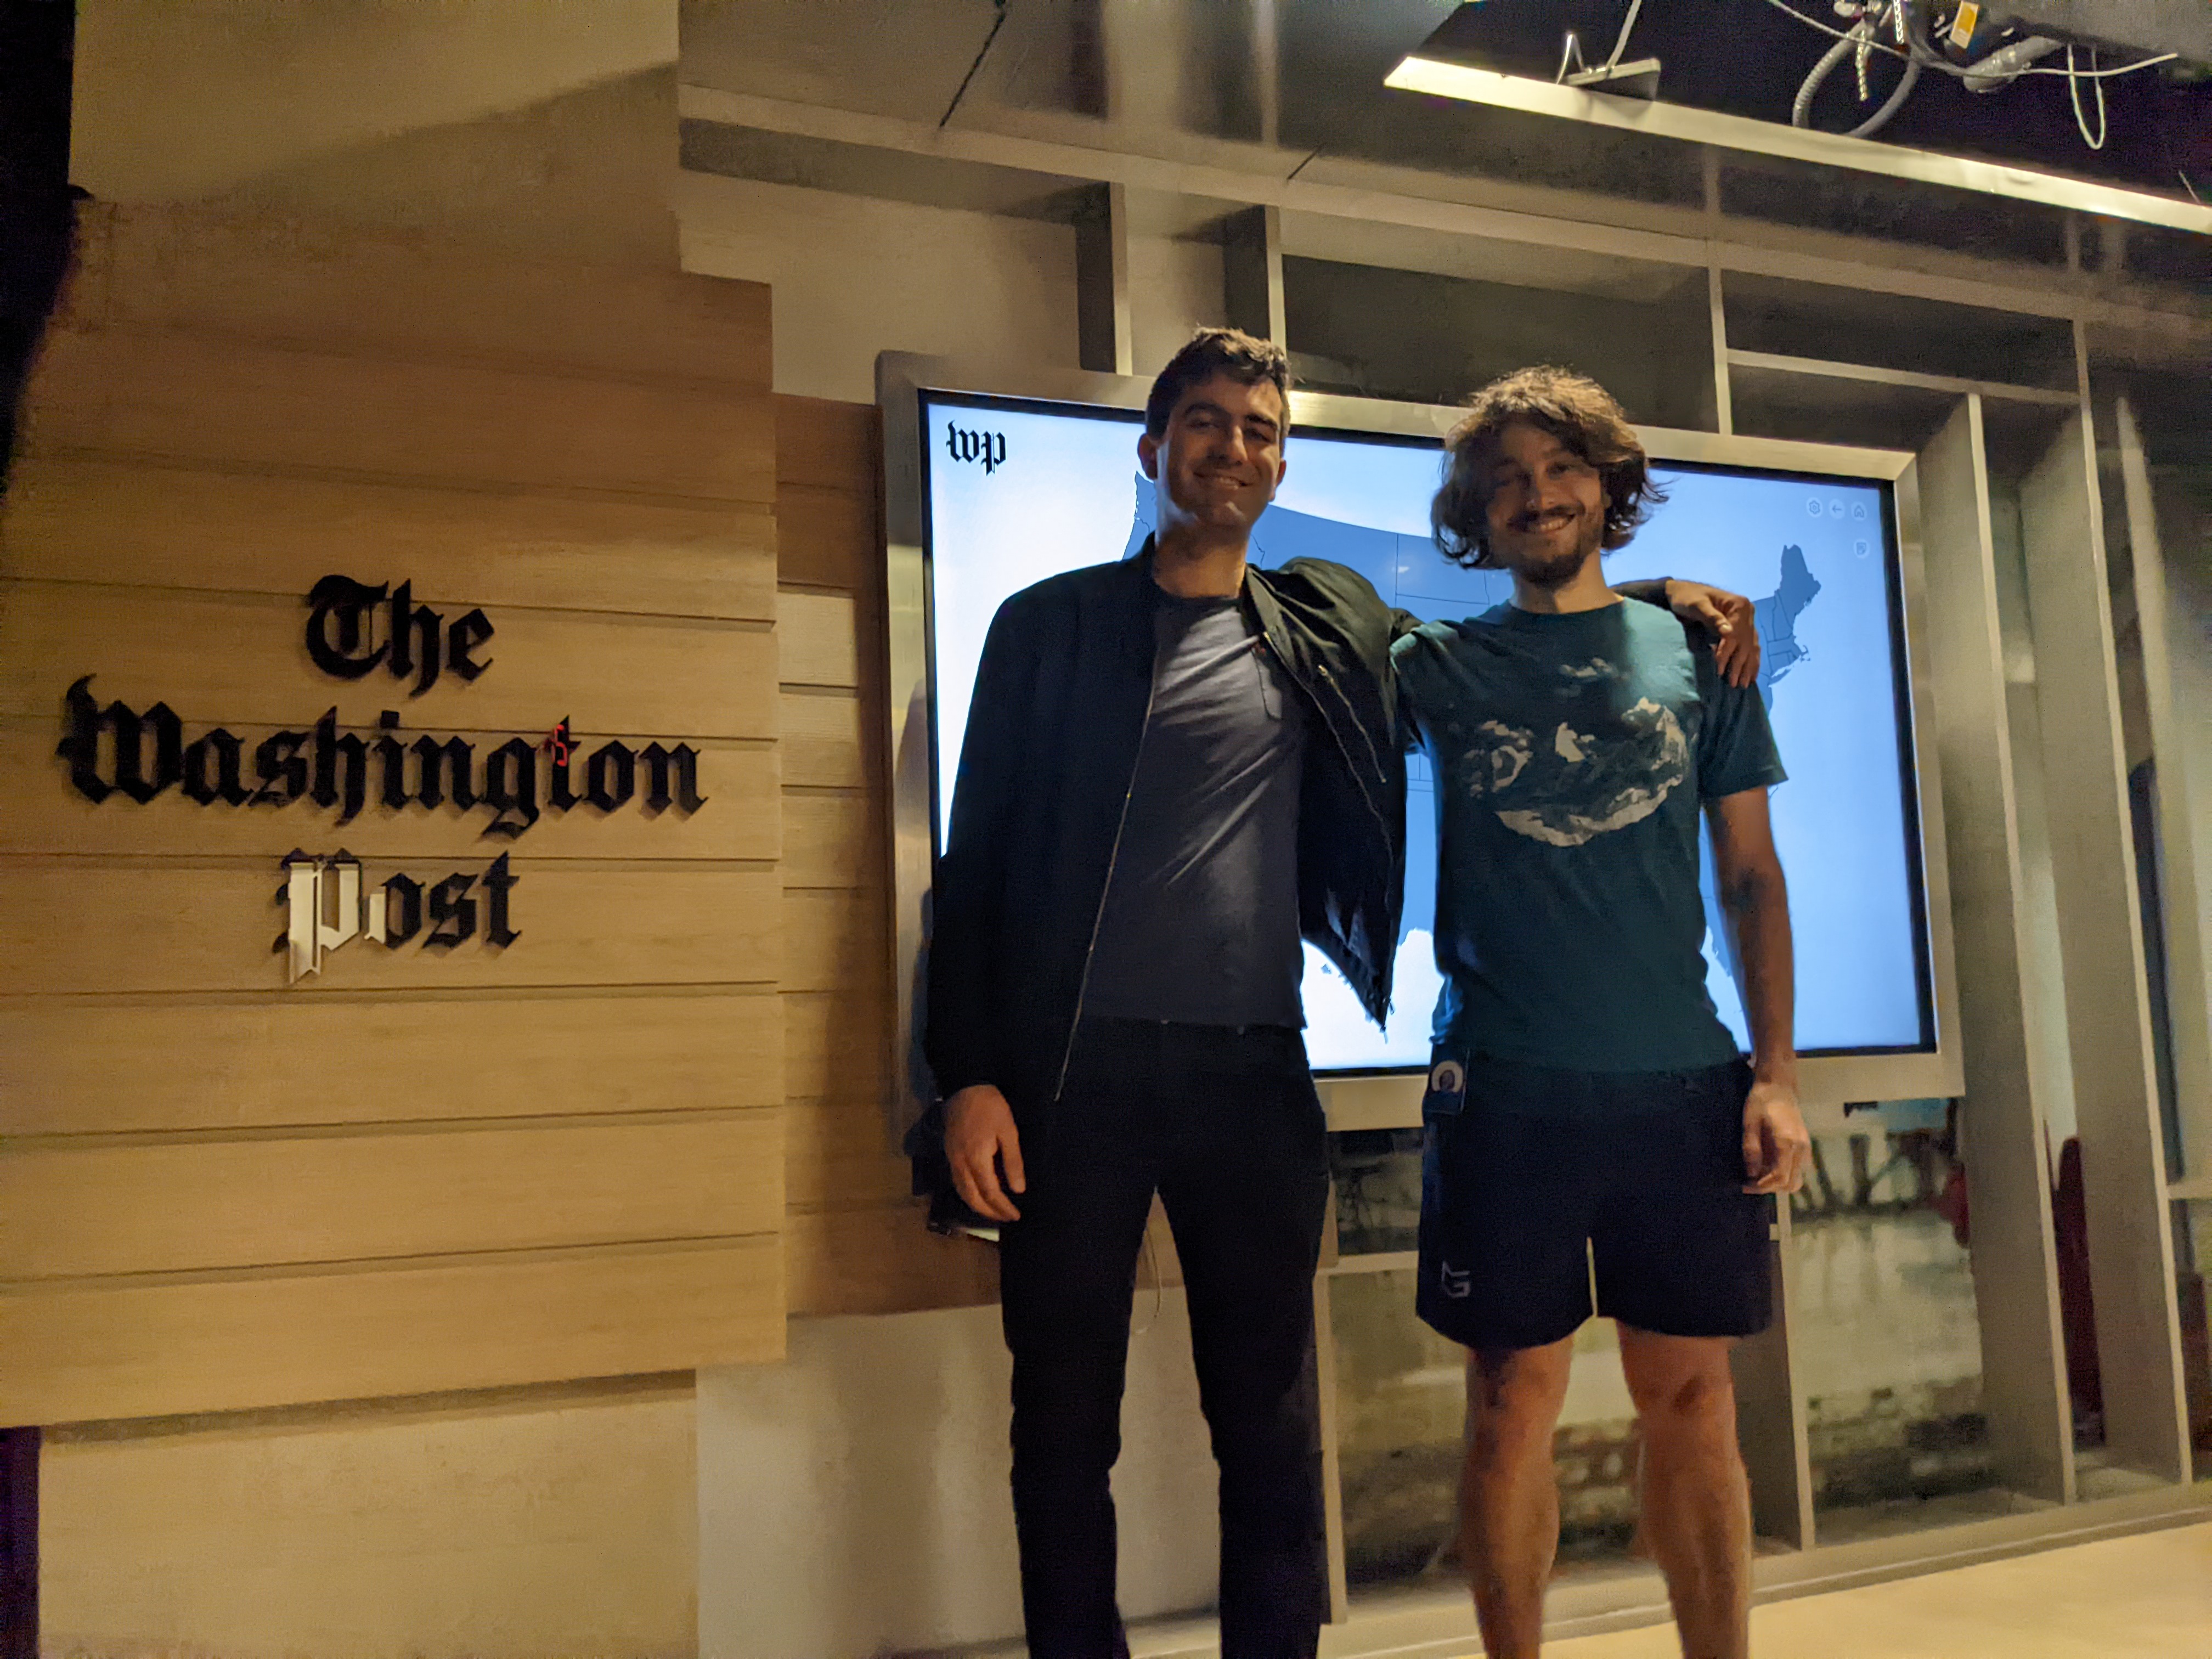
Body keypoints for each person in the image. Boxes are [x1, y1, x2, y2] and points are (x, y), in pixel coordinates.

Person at [920, 329, 1760, 1659]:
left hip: (1252, 1075)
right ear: (1155, 449)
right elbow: (973, 863)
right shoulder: (1047, 628)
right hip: (1065, 1076)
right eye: (1207, 422)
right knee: (1063, 1427)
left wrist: (1663, 589)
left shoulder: (1320, 620)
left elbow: (1526, 614)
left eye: (1260, 430)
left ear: (1278, 461)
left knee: (1266, 1426)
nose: (1235, 448)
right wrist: (966, 1072)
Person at [1393, 366, 1812, 1659]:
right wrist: (1646, 584)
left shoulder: (1703, 652)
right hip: (1505, 1088)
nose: (1537, 495)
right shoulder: (1439, 667)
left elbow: (1751, 875)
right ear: (1477, 510)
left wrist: (1777, 1073)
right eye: (1507, 478)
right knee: (1512, 1403)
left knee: (1692, 1401)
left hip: (1681, 1085)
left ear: (1609, 487)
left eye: (1563, 470)